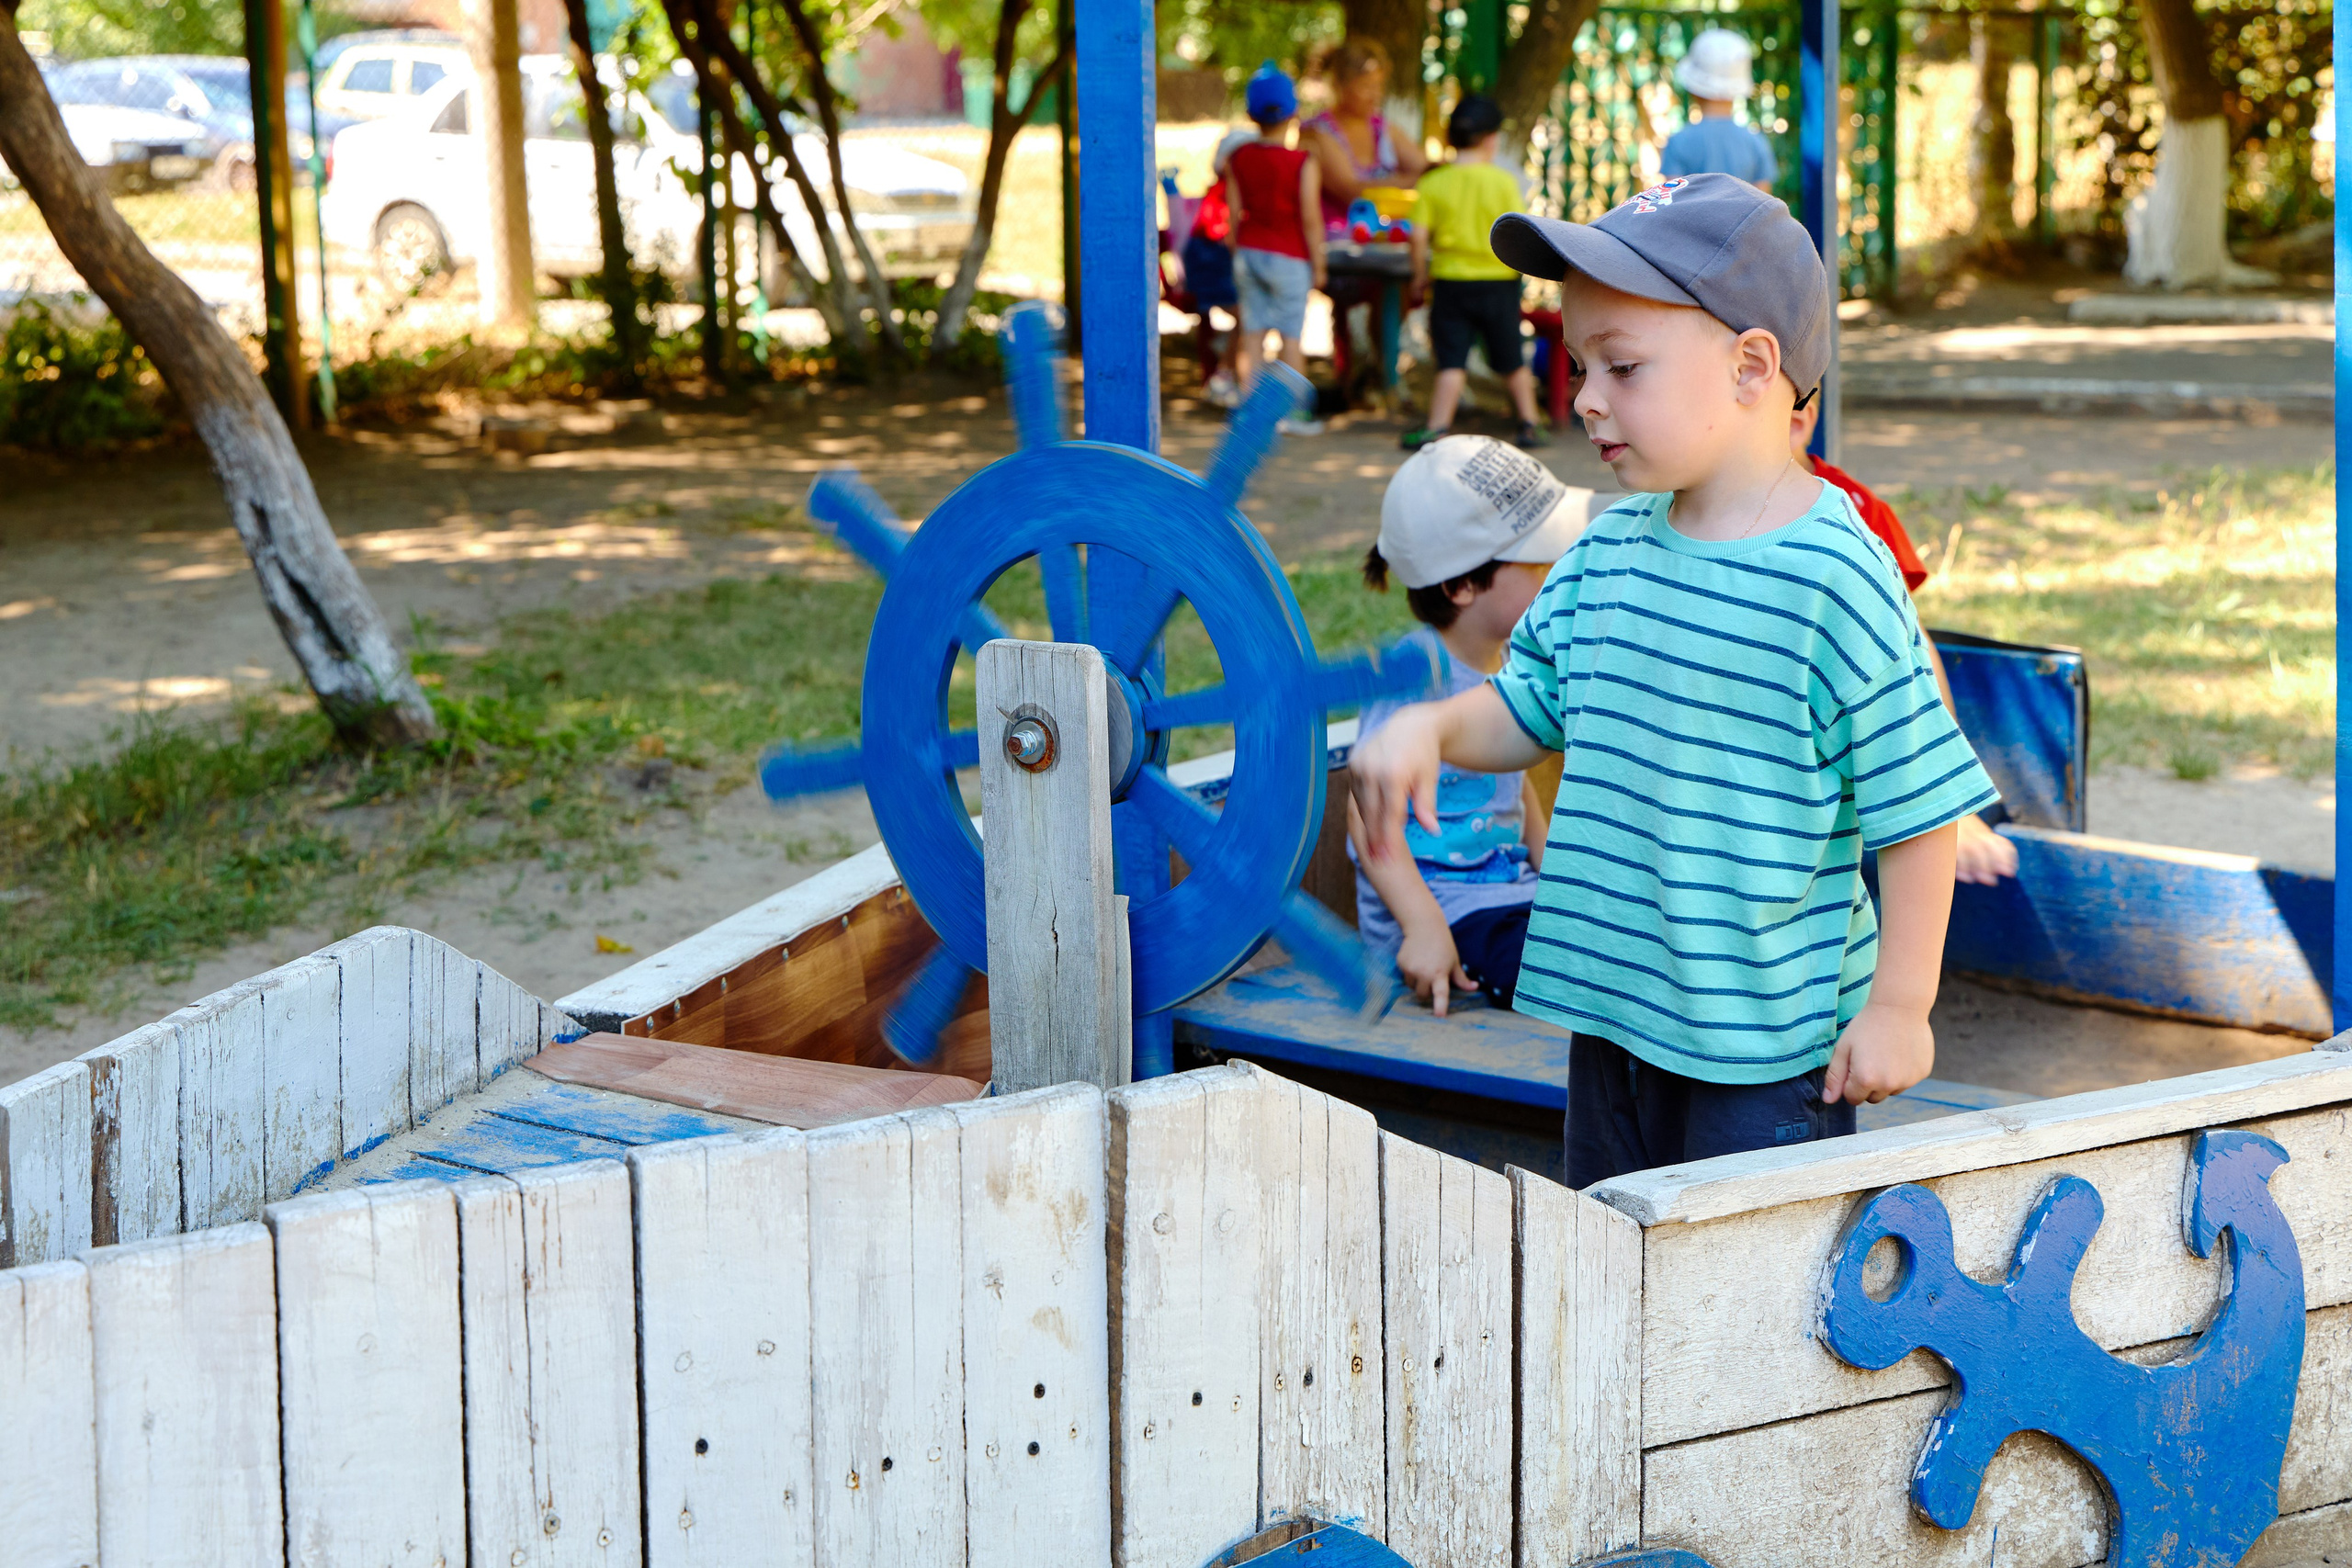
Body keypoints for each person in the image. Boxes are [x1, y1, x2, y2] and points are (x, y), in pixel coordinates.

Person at [1351, 173, 1999, 1187]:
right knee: (1612, 1259)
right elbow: (1524, 712)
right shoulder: (1608, 551)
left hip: (1765, 1054)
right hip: (1611, 1021)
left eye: (1621, 366)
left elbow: (1916, 813)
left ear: (1751, 367)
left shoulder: (1835, 575)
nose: (1584, 399)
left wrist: (1897, 1007)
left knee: (1744, 1303)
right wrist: (1432, 732)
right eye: (1575, 366)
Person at [1349, 435, 1597, 1015]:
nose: (1561, 574)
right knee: (1564, 978)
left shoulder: (1514, 662)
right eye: (1540, 563)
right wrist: (1423, 926)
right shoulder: (1411, 677)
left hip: (1510, 894)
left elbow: (1515, 791)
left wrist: (1559, 875)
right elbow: (1367, 819)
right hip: (1446, 909)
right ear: (1461, 586)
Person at [1791, 397, 2019, 886]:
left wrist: (1952, 810)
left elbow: (1907, 649)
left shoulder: (1852, 511)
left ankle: (1950, 808)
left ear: (1797, 421)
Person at [1402, 94, 1549, 453]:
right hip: (1498, 282)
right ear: (1490, 138)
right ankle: (1529, 423)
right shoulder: (1501, 182)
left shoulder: (1433, 183)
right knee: (1510, 358)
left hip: (1451, 283)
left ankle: (1438, 427)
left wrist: (1419, 276)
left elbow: (1418, 238)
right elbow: (1516, 229)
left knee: (1451, 360)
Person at [1226, 63, 1327, 436]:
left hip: (1249, 252)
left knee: (1251, 334)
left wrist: (1237, 245)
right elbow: (1311, 217)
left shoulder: (1238, 157)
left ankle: (1251, 409)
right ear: (1293, 113)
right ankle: (1294, 413)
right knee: (1290, 336)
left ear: (1251, 114)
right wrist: (1319, 264)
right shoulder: (1302, 161)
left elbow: (1234, 213)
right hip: (1290, 256)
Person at [1182, 128, 1257, 409]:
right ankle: (1226, 374)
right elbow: (1226, 234)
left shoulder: (1229, 190)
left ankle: (1228, 368)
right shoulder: (1225, 192)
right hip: (1211, 265)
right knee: (1248, 315)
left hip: (1215, 263)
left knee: (1249, 316)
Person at [1659, 29, 1778, 192]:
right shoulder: (1755, 142)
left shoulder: (1678, 142)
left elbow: (1671, 201)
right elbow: (1764, 206)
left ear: (1694, 90)